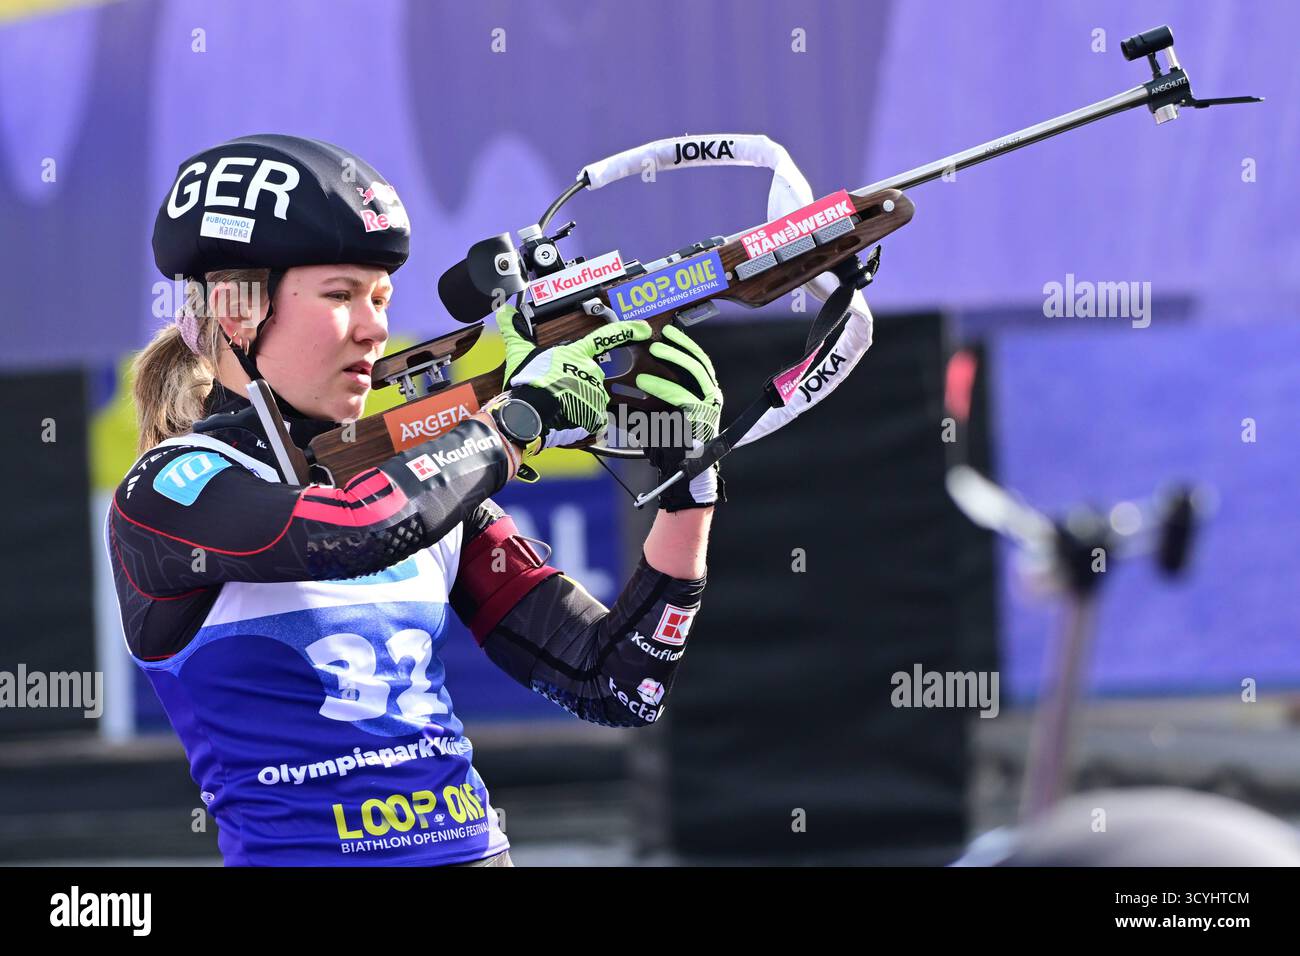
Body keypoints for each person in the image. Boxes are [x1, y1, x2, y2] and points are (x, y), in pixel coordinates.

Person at [107, 134, 724, 866]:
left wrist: (691, 483)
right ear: (238, 312)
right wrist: (512, 422)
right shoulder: (169, 491)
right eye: (340, 296)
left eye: (381, 298)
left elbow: (617, 684)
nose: (374, 328)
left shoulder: (419, 479)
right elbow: (355, 530)